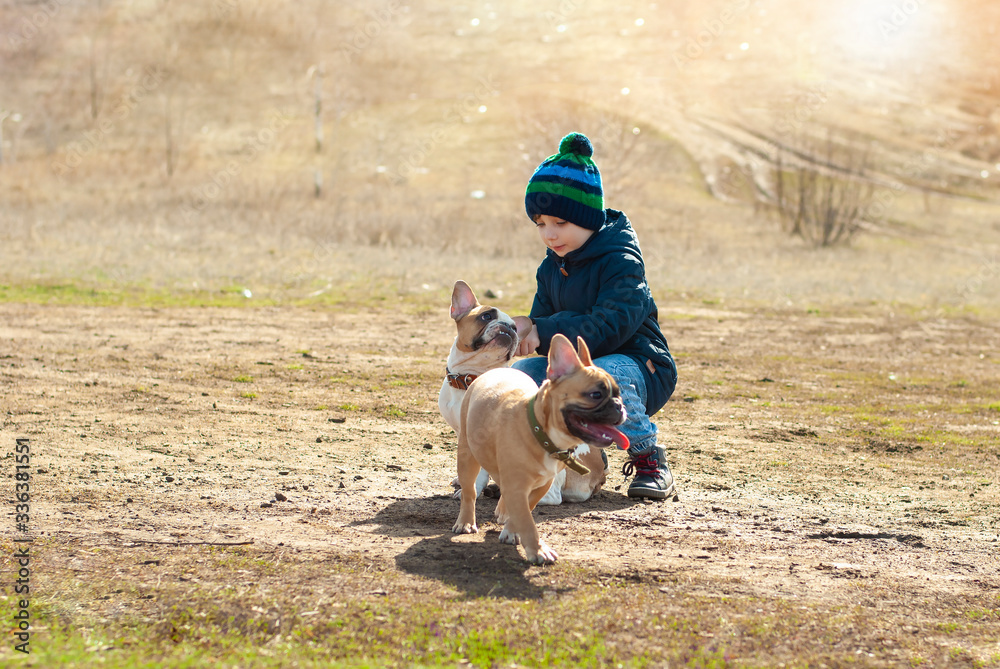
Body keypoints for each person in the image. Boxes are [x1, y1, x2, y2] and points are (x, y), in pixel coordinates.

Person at [511, 132, 678, 500]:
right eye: (540, 224)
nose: (549, 234)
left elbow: (610, 326)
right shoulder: (551, 268)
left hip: (640, 366)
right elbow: (544, 330)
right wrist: (526, 331)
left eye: (560, 222)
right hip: (579, 371)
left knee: (604, 372)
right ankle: (530, 462)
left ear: (587, 218)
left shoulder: (621, 261)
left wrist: (544, 329)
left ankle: (650, 459)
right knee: (521, 377)